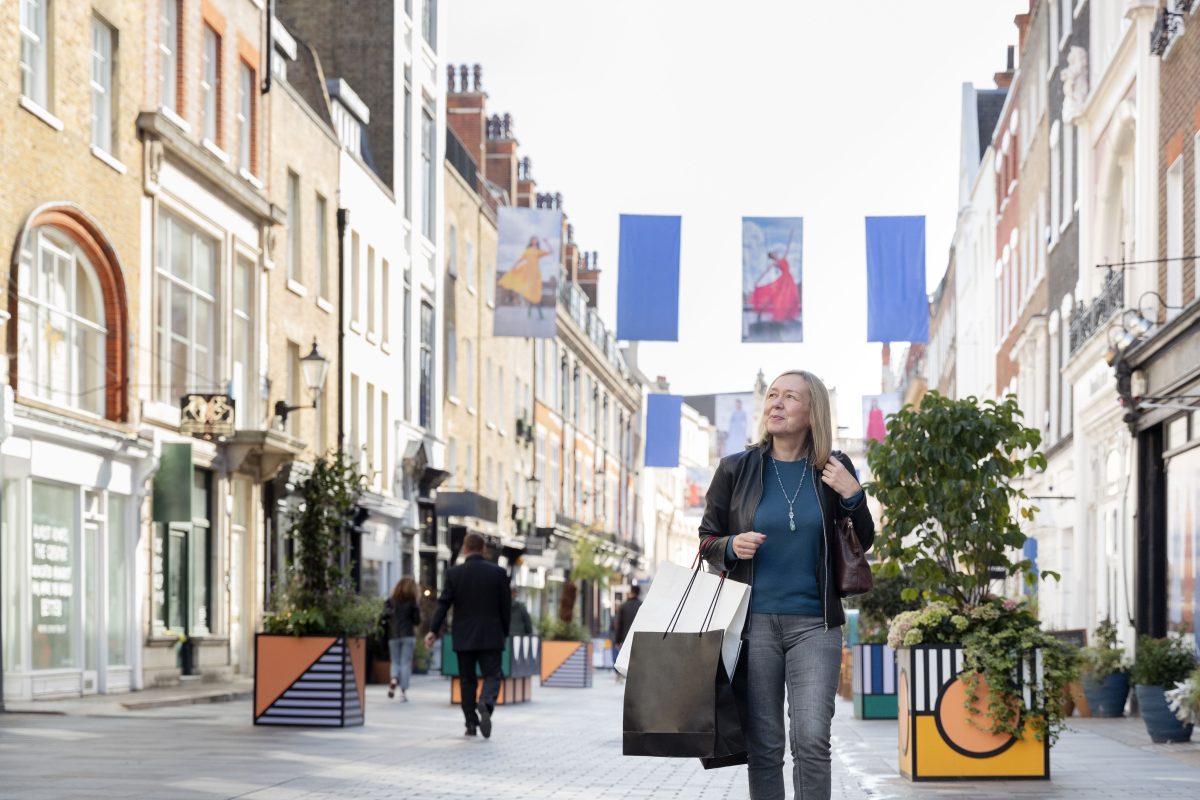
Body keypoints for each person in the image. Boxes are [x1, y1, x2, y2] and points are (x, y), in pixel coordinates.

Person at [698, 370, 874, 800]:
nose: (775, 403)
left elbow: (862, 541)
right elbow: (706, 541)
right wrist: (731, 545)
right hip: (752, 624)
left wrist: (854, 495)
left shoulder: (835, 468)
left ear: (813, 411)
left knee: (812, 739)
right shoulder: (735, 469)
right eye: (772, 395)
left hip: (817, 624)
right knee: (765, 746)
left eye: (789, 397)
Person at [425, 533, 512, 738]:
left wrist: (433, 630)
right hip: (491, 635)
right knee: (492, 674)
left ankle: (470, 724)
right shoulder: (498, 573)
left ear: (465, 549)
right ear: (483, 549)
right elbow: (505, 607)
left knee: (467, 680)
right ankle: (486, 703)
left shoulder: (454, 573)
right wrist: (504, 631)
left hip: (464, 636)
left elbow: (443, 604)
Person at [384, 577, 421, 701]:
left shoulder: (390, 601)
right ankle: (403, 693)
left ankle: (394, 679)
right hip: (408, 635)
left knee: (395, 661)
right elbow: (417, 621)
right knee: (405, 663)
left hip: (393, 635)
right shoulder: (412, 602)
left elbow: (384, 616)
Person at [498, 235, 551, 319]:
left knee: (536, 293)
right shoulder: (528, 251)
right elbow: (521, 259)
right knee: (530, 292)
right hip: (528, 272)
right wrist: (514, 266)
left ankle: (538, 313)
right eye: (533, 240)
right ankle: (532, 314)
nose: (534, 242)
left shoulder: (538, 251)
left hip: (536, 273)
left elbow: (550, 251)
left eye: (536, 240)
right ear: (531, 241)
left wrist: (547, 242)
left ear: (537, 242)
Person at [612, 585, 642, 682]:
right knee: (636, 658)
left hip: (625, 637)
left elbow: (619, 624)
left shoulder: (624, 606)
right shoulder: (642, 605)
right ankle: (635, 678)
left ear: (631, 592)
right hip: (639, 637)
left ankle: (621, 675)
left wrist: (617, 640)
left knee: (625, 657)